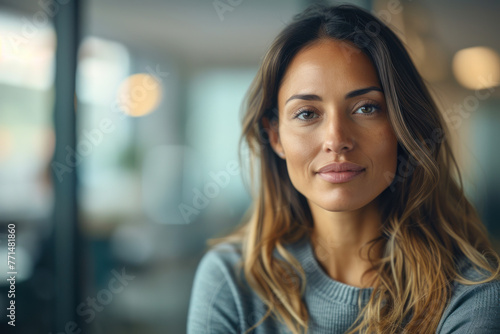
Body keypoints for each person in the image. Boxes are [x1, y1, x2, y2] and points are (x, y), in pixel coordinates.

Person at [187, 3, 500, 334]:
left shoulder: (471, 291)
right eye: (307, 113)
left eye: (366, 108)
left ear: (403, 126)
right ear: (275, 136)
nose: (336, 140)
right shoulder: (231, 279)